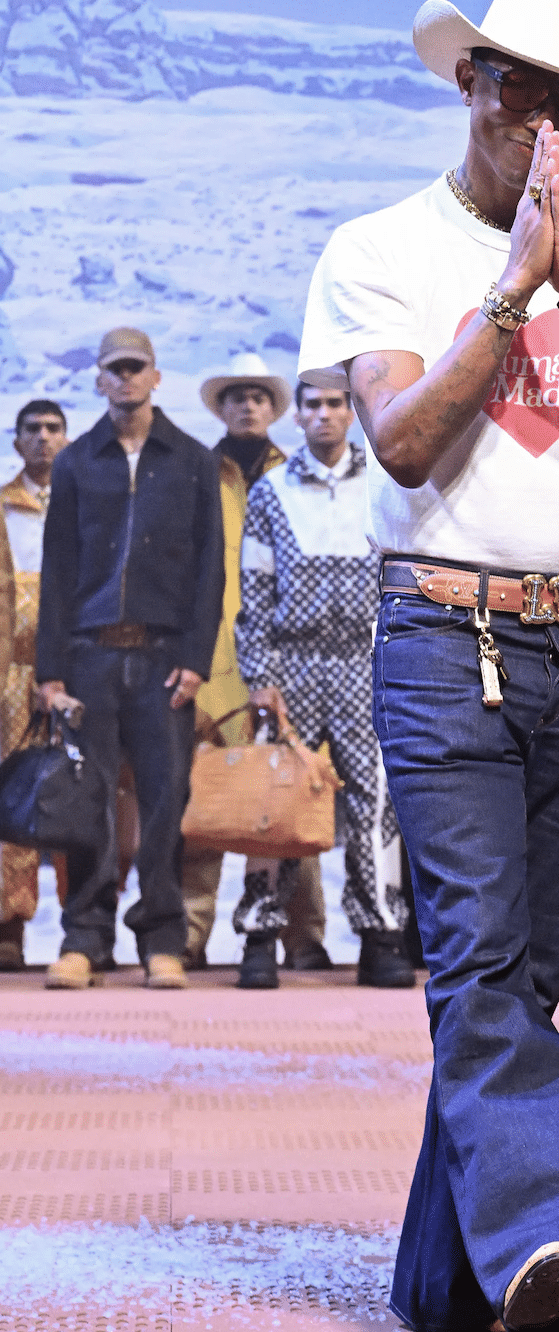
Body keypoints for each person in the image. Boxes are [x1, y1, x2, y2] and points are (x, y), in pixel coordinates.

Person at [296, 0, 559, 1332]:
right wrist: (514, 290)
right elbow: (400, 440)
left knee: (525, 974)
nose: (535, 116)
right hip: (440, 636)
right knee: (472, 956)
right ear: (468, 82)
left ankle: (446, 1278)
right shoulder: (380, 245)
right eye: (511, 81)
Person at [35, 326, 224, 990]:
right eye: (113, 369)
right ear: (98, 379)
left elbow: (210, 572)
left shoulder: (194, 460)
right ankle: (85, 939)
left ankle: (162, 941)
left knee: (165, 803)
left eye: (135, 367)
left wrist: (197, 658)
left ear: (156, 375)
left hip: (165, 658)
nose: (125, 379)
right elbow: (56, 569)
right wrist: (49, 671)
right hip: (88, 657)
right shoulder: (77, 460)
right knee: (86, 803)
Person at [232, 379, 413, 990]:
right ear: (299, 415)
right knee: (273, 798)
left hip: (367, 660)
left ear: (354, 411)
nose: (326, 414)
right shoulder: (272, 491)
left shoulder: (386, 481)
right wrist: (259, 675)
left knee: (376, 797)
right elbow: (253, 590)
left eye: (337, 403)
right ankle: (260, 935)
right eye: (314, 404)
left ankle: (382, 935)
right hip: (294, 665)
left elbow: (405, 574)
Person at [181, 352, 330, 973]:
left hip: (284, 652)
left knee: (288, 791)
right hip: (208, 652)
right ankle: (189, 933)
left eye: (259, 397)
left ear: (276, 410)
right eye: (236, 396)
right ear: (221, 407)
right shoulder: (192, 472)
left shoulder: (299, 475)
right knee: (207, 793)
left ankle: (302, 935)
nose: (247, 406)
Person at [0, 401, 66, 971]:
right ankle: (10, 925)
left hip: (78, 668)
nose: (42, 439)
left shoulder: (86, 505)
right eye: (32, 430)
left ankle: (86, 931)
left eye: (52, 429)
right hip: (9, 676)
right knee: (15, 800)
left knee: (82, 796)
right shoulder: (1, 506)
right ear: (17, 441)